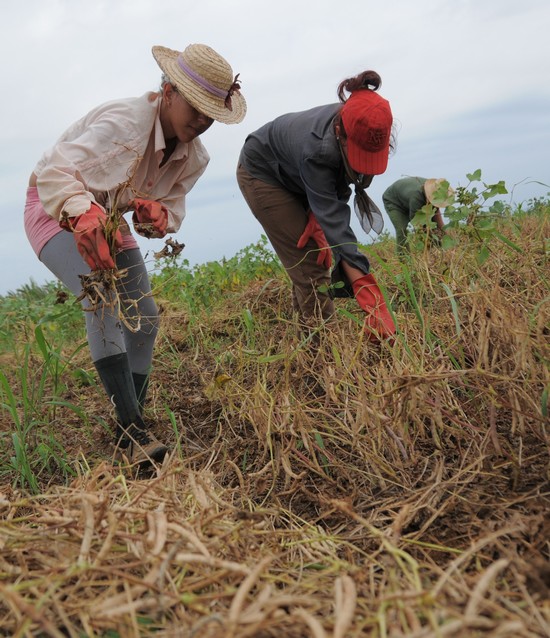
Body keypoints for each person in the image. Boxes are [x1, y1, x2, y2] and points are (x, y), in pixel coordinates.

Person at [24, 43, 246, 465]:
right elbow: (55, 170)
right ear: (168, 90)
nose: (201, 121)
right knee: (103, 299)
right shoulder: (124, 122)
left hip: (106, 214)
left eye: (210, 114)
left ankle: (131, 420)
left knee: (144, 320)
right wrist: (81, 213)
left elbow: (170, 210)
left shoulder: (194, 156)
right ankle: (132, 434)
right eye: (195, 107)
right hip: (54, 206)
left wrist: (155, 215)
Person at [236, 69, 396, 342]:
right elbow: (340, 232)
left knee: (317, 257)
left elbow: (339, 186)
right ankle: (321, 356)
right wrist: (371, 298)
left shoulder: (367, 124)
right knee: (312, 265)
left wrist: (316, 217)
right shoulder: (318, 151)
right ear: (340, 134)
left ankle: (307, 340)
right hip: (264, 174)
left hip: (299, 174)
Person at [382, 177, 454, 254]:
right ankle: (404, 259)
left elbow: (438, 220)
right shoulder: (416, 197)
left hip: (407, 196)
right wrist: (431, 244)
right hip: (393, 201)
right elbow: (418, 226)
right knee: (402, 229)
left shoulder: (435, 190)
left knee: (432, 229)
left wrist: (450, 241)